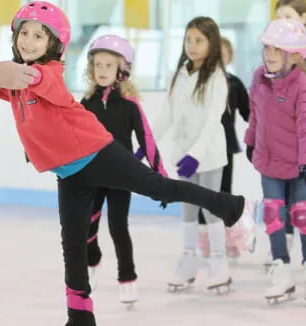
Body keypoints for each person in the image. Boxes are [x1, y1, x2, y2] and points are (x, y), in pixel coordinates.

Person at [0, 2, 256, 325]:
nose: (29, 41)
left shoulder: (46, 74)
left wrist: (0, 72)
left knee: (159, 187)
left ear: (54, 44)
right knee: (73, 245)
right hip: (69, 171)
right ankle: (80, 318)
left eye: (39, 36)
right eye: (24, 33)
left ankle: (233, 206)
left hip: (98, 153)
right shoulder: (18, 82)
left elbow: (34, 80)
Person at [148, 16, 255, 294]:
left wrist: (195, 154)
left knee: (211, 208)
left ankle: (219, 263)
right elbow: (168, 113)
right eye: (188, 40)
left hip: (208, 154)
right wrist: (147, 142)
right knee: (187, 208)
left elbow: (212, 120)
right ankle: (188, 259)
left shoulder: (217, 77)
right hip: (183, 154)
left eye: (199, 40)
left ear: (212, 44)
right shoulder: (179, 73)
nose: (192, 46)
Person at [81, 34, 167, 305]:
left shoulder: (130, 105)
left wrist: (160, 178)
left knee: (118, 228)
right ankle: (91, 263)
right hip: (92, 177)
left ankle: (127, 277)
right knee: (87, 228)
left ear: (122, 69)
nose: (102, 70)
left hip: (120, 178)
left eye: (108, 65)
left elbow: (147, 140)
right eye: (98, 65)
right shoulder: (86, 104)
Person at [244, 19, 306, 302]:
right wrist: (251, 140)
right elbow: (256, 114)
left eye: (277, 50)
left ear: (293, 55)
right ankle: (281, 269)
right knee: (273, 215)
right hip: (270, 161)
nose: (270, 55)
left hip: (299, 164)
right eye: (267, 48)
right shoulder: (259, 78)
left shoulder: (302, 84)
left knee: (302, 215)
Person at [271, 0, 306, 265]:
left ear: (304, 18)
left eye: (288, 15)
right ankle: (284, 247)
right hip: (284, 139)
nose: (281, 20)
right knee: (280, 198)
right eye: (278, 15)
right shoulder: (274, 52)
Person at [197, 36, 251, 263]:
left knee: (224, 191)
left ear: (229, 57)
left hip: (226, 145)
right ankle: (203, 239)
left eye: (224, 52)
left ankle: (227, 237)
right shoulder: (200, 81)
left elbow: (249, 114)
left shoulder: (235, 84)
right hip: (200, 147)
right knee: (201, 192)